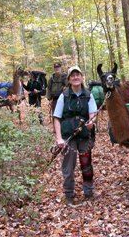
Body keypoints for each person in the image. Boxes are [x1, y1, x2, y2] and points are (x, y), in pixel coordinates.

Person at [53, 66, 97, 205]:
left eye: (78, 75)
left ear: (82, 77)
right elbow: (56, 118)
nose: (76, 77)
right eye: (73, 75)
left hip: (84, 134)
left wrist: (91, 122)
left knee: (86, 164)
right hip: (68, 135)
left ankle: (88, 192)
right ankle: (69, 194)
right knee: (68, 166)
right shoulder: (64, 96)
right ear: (69, 79)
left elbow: (93, 113)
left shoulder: (88, 95)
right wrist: (59, 138)